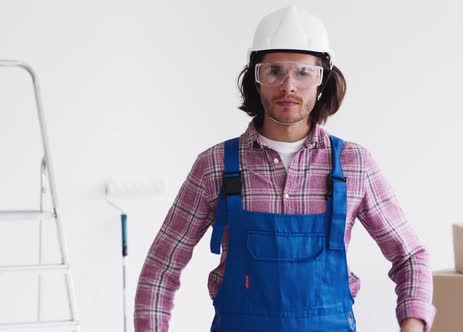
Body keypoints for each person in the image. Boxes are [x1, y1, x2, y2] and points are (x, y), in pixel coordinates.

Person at [134, 5, 436, 332]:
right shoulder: (215, 166)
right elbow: (160, 267)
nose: (288, 86)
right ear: (256, 80)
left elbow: (411, 256)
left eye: (304, 73)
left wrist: (413, 325)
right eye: (274, 71)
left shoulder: (354, 164)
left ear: (323, 82)